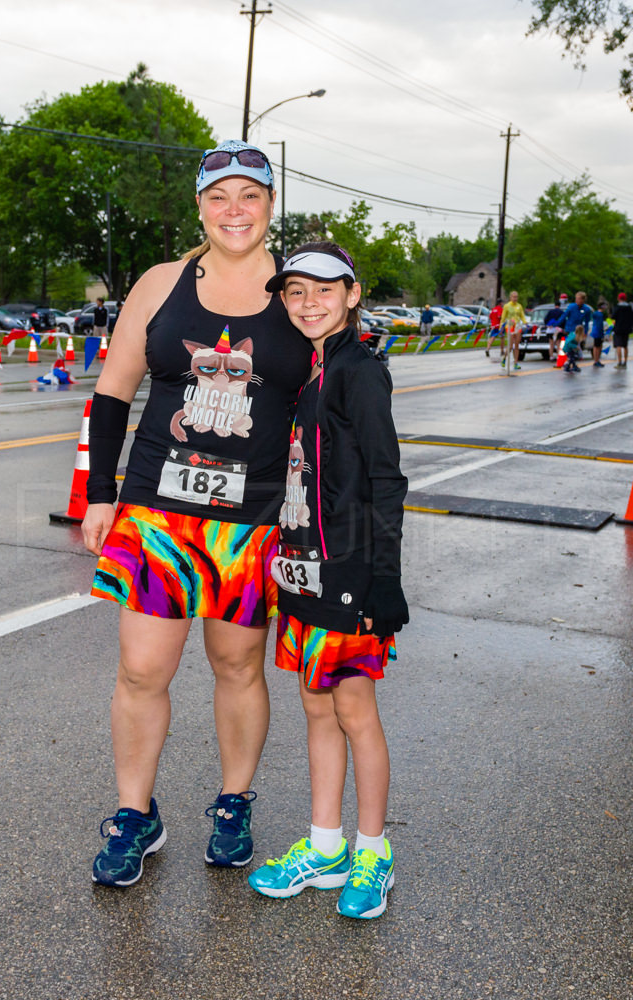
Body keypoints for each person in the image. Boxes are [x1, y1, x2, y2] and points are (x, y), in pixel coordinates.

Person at [81, 140, 314, 888]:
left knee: (238, 663)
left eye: (249, 197)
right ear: (200, 207)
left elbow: (334, 405)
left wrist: (322, 519)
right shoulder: (160, 283)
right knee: (142, 667)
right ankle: (133, 815)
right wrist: (99, 495)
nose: (234, 211)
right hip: (157, 513)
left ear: (271, 205)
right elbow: (114, 392)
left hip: (254, 521)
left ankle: (233, 804)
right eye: (219, 197)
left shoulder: (299, 294)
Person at [246, 242, 408, 921]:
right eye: (295, 292)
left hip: (348, 572)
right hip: (303, 568)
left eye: (324, 290)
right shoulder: (310, 370)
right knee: (317, 708)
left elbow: (385, 477)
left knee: (353, 712)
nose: (309, 303)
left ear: (352, 293)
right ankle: (325, 846)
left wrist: (383, 581)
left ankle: (374, 853)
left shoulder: (359, 371)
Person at [500, 290, 526, 370]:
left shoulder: (519, 306)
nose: (515, 298)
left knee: (517, 345)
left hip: (517, 326)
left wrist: (525, 323)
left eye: (516, 297)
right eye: (514, 297)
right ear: (510, 297)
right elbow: (503, 318)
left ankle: (515, 362)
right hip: (510, 326)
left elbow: (522, 316)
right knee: (510, 346)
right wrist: (501, 326)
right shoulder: (507, 306)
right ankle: (504, 359)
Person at [611, 292, 632, 369]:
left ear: (618, 298)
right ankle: (625, 362)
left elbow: (613, 316)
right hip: (626, 328)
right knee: (625, 345)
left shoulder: (617, 307)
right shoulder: (629, 307)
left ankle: (619, 363)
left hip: (618, 328)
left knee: (618, 345)